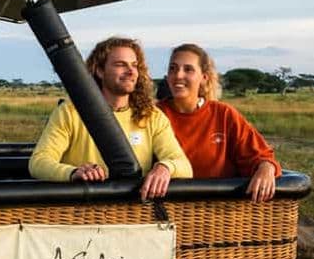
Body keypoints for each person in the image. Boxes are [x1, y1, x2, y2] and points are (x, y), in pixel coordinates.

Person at [29, 37, 192, 199]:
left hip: (133, 212)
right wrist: (72, 172)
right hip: (82, 211)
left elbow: (184, 166)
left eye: (134, 65)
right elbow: (39, 162)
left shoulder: (151, 116)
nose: (131, 71)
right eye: (121, 64)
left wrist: (165, 167)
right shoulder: (71, 113)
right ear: (100, 70)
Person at [158, 43, 282, 203]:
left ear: (204, 77)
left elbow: (260, 155)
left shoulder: (223, 114)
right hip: (167, 208)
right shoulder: (154, 115)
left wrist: (266, 168)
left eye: (188, 69)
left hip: (218, 212)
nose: (178, 75)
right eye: (173, 69)